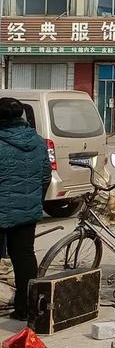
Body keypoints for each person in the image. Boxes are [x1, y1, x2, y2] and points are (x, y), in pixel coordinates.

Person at [0, 96, 51, 321]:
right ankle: (25, 309)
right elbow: (45, 177)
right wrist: (34, 202)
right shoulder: (39, 142)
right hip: (27, 211)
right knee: (24, 258)